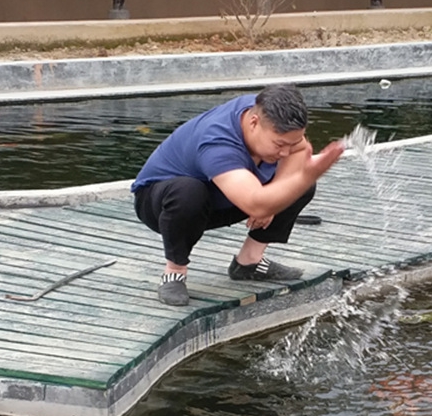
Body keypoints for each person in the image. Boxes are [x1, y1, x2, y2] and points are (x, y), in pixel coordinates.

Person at [131, 83, 345, 306]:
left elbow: (300, 149)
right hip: (162, 204)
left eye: (289, 144)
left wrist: (277, 195)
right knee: (189, 192)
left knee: (298, 186)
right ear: (253, 123)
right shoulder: (218, 142)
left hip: (222, 195)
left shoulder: (266, 110)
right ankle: (174, 272)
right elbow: (256, 204)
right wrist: (268, 202)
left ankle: (249, 261)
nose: (285, 152)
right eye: (279, 144)